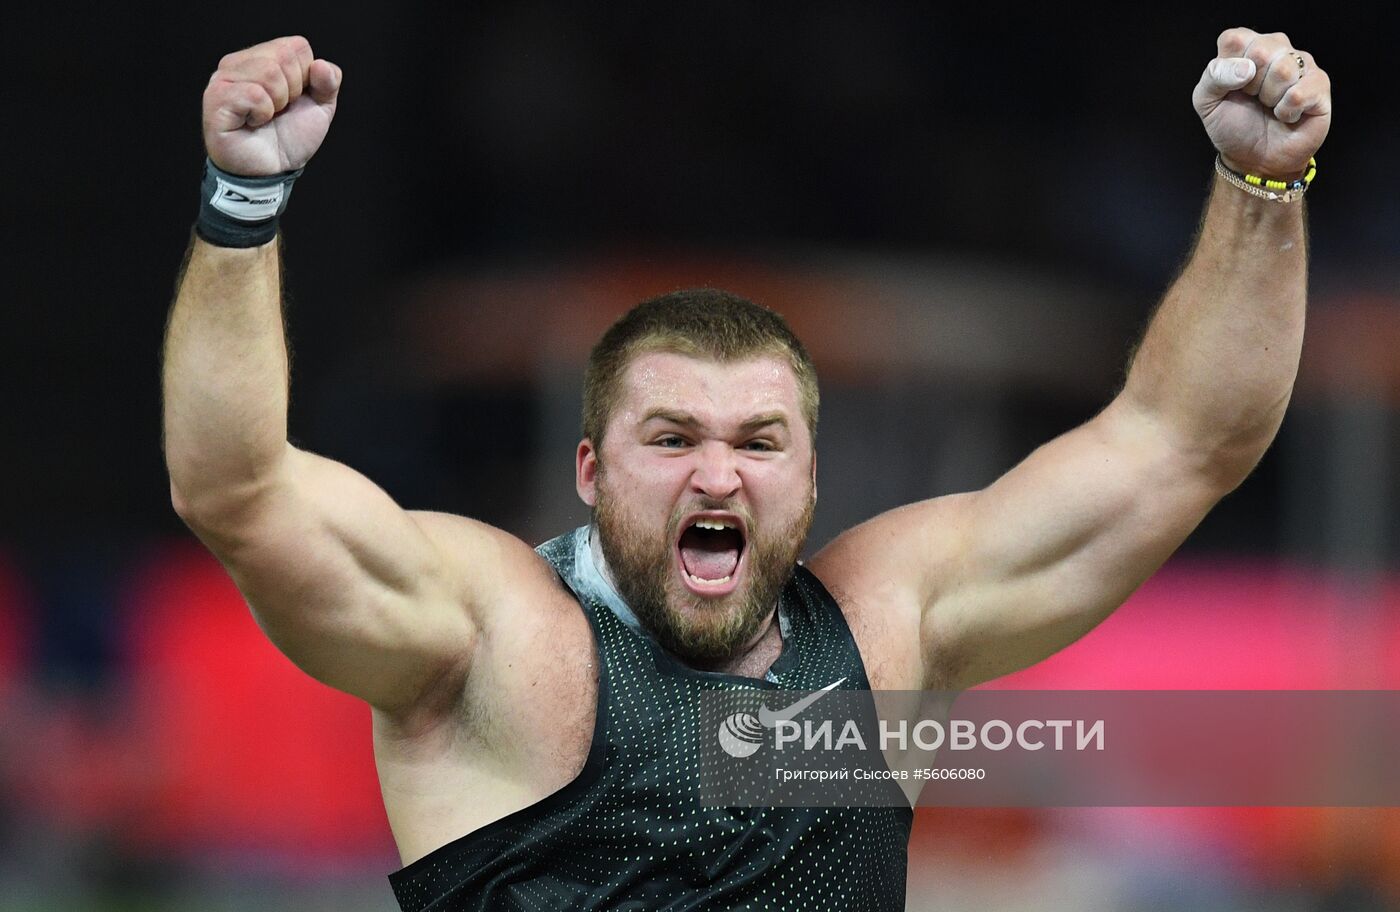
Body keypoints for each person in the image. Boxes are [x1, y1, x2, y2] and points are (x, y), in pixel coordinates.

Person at [161, 28, 1331, 911]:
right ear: (588, 471)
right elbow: (236, 491)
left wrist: (1262, 186)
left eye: (757, 443)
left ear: (811, 480)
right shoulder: (488, 638)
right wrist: (243, 201)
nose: (715, 476)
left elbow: (1185, 441)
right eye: (669, 439)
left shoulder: (884, 631)